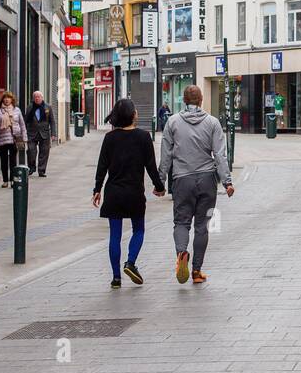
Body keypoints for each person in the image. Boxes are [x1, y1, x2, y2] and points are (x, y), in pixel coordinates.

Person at [160, 84, 234, 285]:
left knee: (181, 223)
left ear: (184, 101)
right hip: (207, 180)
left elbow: (166, 154)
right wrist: (227, 181)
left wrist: (160, 181)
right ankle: (196, 271)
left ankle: (182, 254)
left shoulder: (172, 122)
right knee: (202, 226)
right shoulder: (212, 122)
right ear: (201, 100)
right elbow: (220, 154)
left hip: (182, 180)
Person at [92, 97, 165, 290]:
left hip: (113, 193)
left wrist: (97, 190)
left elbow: (102, 166)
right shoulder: (143, 137)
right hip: (134, 193)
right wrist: (159, 186)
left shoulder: (110, 138)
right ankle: (130, 262)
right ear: (133, 115)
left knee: (114, 236)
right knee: (138, 230)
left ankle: (116, 278)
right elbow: (151, 167)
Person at [0, 92, 26, 188]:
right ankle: (5, 180)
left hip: (14, 138)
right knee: (4, 161)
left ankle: (13, 180)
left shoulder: (17, 110)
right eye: (5, 98)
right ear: (2, 100)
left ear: (12, 100)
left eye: (8, 98)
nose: (6, 99)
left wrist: (24, 137)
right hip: (2, 139)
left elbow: (22, 124)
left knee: (13, 161)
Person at [26, 90, 56, 177]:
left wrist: (53, 134)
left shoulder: (48, 107)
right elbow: (26, 120)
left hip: (45, 133)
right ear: (33, 98)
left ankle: (41, 170)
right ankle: (31, 167)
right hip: (32, 133)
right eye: (35, 97)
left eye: (38, 97)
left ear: (42, 98)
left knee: (44, 152)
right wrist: (24, 132)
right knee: (31, 151)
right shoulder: (30, 107)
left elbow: (52, 121)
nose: (37, 98)